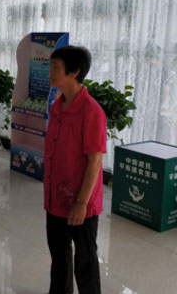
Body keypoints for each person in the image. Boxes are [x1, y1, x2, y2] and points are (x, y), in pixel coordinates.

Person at [44, 45, 106, 294]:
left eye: (55, 67)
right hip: (55, 199)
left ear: (74, 72)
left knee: (85, 261)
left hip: (81, 203)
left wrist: (81, 203)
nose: (50, 71)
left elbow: (95, 161)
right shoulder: (56, 106)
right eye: (51, 66)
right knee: (59, 257)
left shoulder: (91, 111)